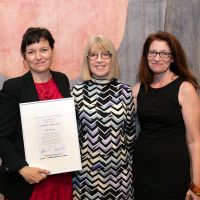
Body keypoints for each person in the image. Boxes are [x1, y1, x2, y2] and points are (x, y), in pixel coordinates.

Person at [0, 27, 73, 200]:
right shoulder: (14, 88)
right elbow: (2, 136)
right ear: (24, 56)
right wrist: (22, 169)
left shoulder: (62, 80)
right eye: (31, 52)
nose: (39, 57)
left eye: (44, 50)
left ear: (53, 51)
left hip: (62, 178)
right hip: (29, 181)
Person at [132, 31, 200, 200]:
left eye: (164, 53)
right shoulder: (138, 89)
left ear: (172, 58)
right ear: (146, 56)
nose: (157, 58)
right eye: (152, 52)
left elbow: (194, 141)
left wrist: (197, 187)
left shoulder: (185, 89)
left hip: (174, 173)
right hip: (142, 172)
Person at [71, 35, 136, 199]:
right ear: (88, 60)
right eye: (93, 55)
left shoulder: (125, 91)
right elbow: (70, 138)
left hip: (120, 177)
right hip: (86, 177)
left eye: (104, 54)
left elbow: (130, 135)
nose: (99, 60)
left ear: (112, 58)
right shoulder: (76, 93)